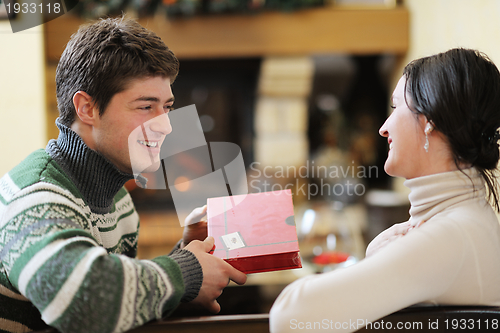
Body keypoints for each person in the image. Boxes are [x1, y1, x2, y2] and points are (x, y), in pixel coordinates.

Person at [0, 16, 246, 333]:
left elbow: (114, 318)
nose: (167, 126)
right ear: (86, 108)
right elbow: (85, 304)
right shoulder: (36, 194)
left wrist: (184, 260)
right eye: (146, 107)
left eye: (167, 107)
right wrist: (184, 273)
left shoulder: (118, 200)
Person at [269, 48, 500, 332]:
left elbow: (288, 316)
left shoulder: (452, 234)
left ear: (431, 121)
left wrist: (371, 261)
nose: (383, 128)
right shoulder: (466, 219)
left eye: (396, 107)